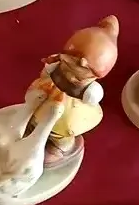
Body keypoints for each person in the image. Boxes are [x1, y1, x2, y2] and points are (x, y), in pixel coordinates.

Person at [25, 16, 120, 164]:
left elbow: (92, 98)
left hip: (69, 109)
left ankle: (60, 147)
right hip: (49, 96)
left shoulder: (90, 90)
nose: (69, 76)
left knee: (59, 131)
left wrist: (85, 91)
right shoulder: (59, 64)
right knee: (36, 115)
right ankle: (33, 131)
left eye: (77, 76)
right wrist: (48, 73)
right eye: (66, 66)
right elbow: (47, 71)